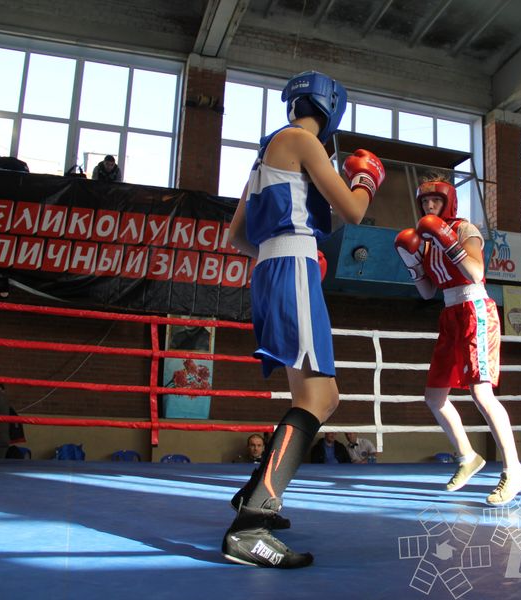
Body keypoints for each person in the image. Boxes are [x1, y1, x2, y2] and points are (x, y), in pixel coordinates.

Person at [222, 70, 385, 568]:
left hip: (272, 267)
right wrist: (366, 179)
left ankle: (253, 497)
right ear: (332, 108)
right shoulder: (303, 141)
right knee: (321, 397)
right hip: (291, 268)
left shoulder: (265, 155)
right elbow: (354, 212)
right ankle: (250, 523)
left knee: (313, 396)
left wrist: (287, 249)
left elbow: (236, 237)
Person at [394, 174, 521, 506]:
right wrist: (412, 263)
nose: (429, 206)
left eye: (435, 201)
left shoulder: (465, 230)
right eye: (425, 202)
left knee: (481, 393)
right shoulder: (424, 240)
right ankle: (467, 456)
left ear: (448, 202)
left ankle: (514, 470)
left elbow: (476, 273)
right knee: (434, 397)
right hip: (449, 313)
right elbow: (427, 292)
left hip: (475, 310)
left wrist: (446, 239)